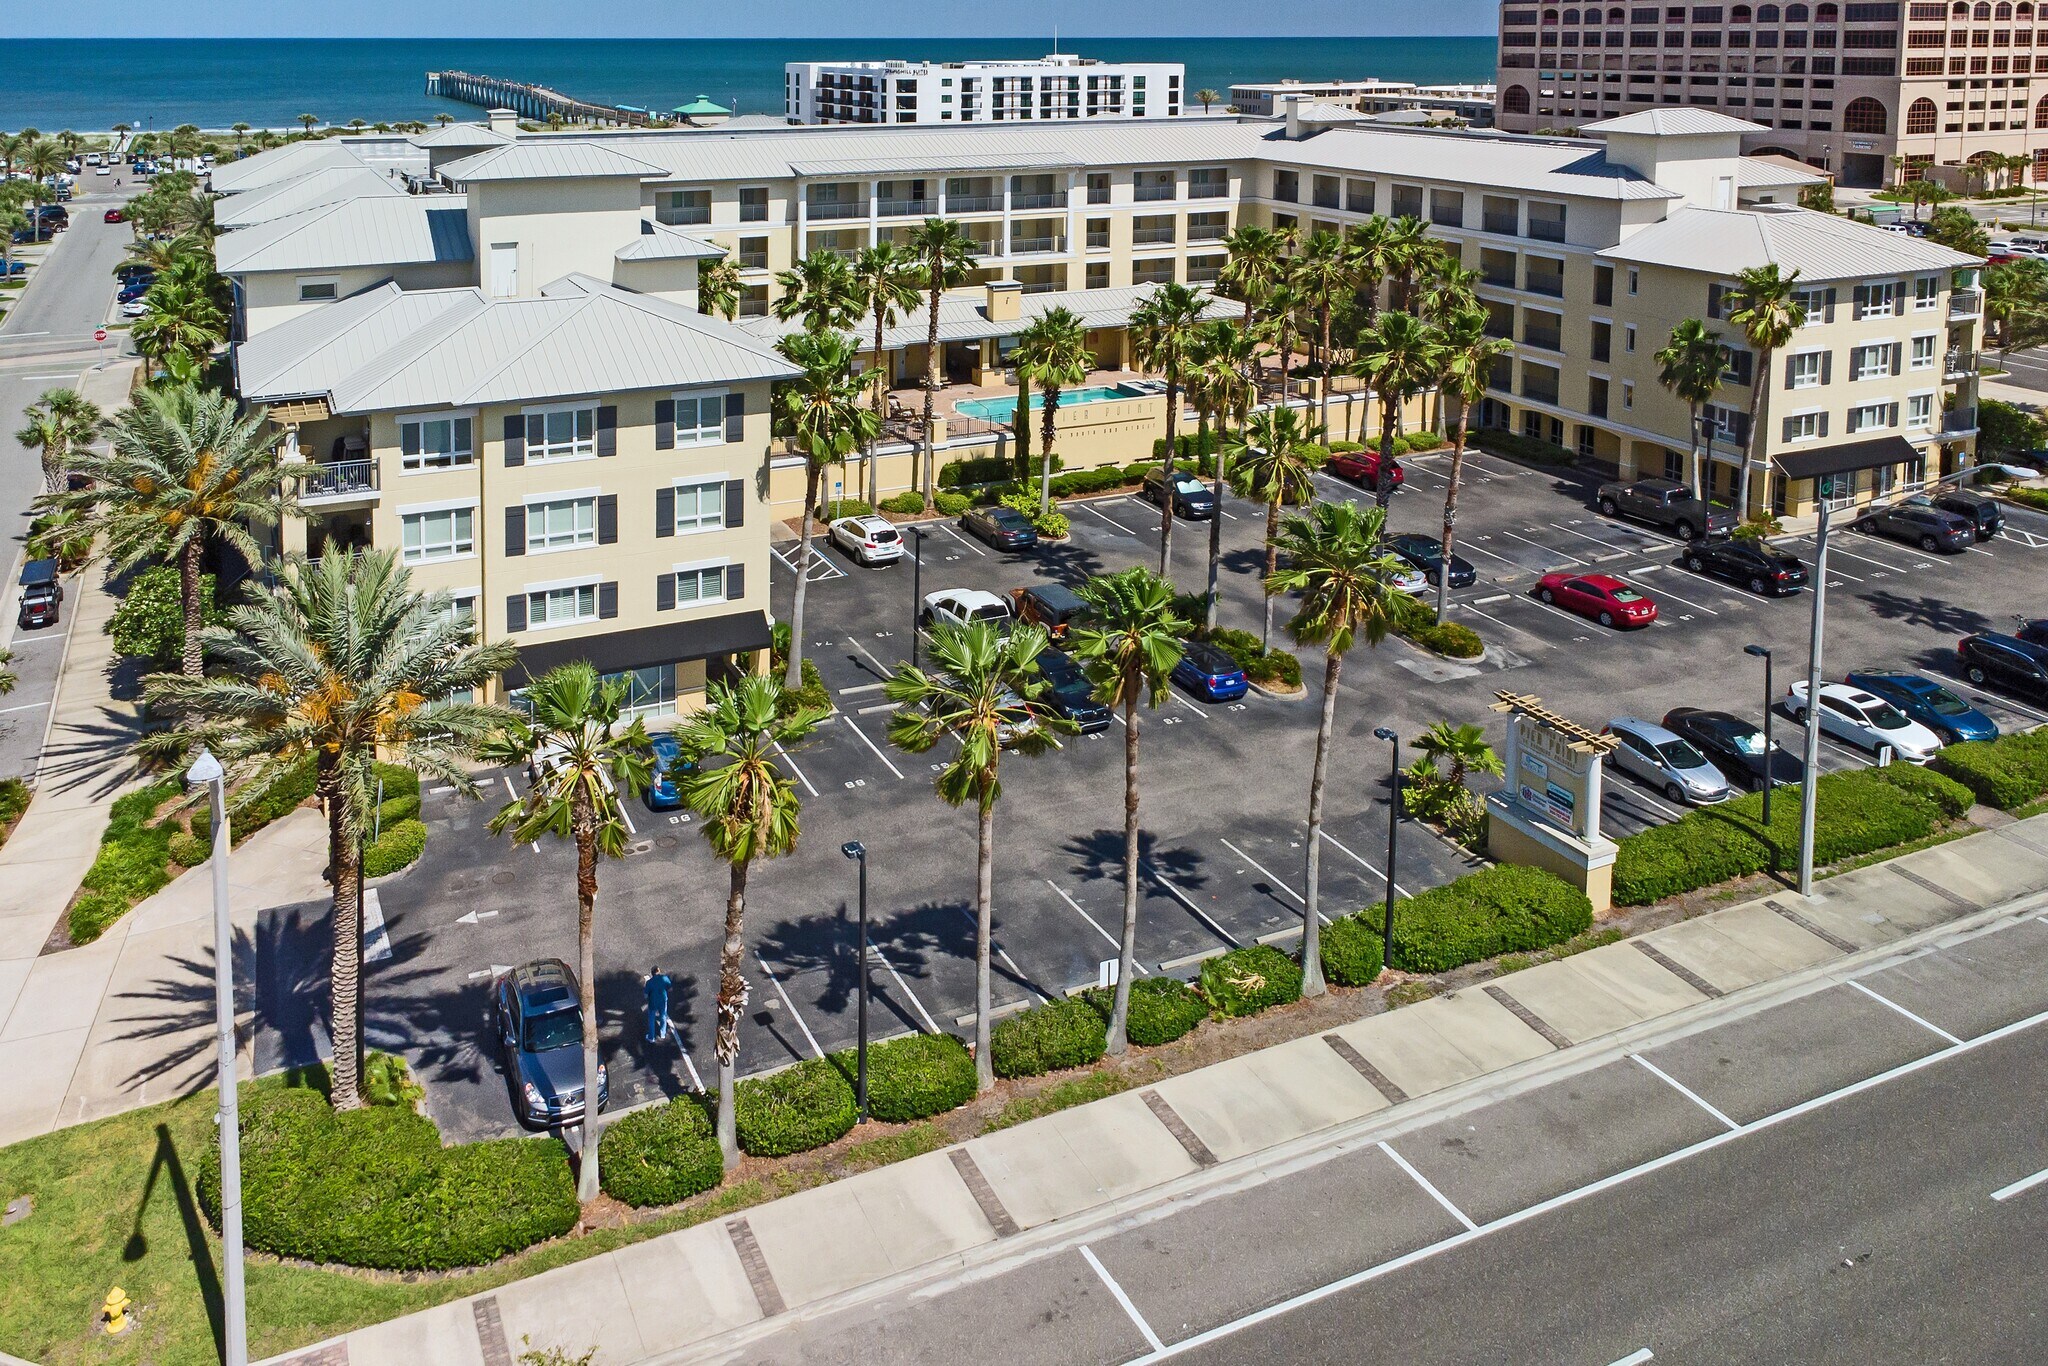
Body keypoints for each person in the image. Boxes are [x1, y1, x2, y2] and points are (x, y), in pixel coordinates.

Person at [643, 965, 673, 1045]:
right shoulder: (665, 978)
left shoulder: (649, 982)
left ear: (652, 973)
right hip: (662, 1001)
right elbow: (670, 989)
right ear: (658, 971)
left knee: (651, 1019)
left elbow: (645, 996)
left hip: (652, 1003)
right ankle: (662, 1034)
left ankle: (651, 1037)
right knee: (663, 1016)